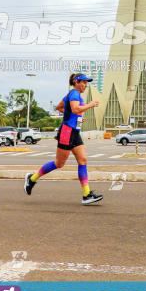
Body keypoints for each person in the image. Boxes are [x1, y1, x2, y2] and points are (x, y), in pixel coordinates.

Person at [24, 73, 103, 205]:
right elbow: (76, 108)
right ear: (76, 82)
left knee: (82, 159)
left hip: (74, 132)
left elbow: (60, 107)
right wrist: (91, 104)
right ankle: (31, 179)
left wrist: (74, 117)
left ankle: (86, 195)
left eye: (86, 83)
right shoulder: (74, 93)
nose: (85, 85)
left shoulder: (72, 95)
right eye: (83, 82)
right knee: (59, 163)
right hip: (67, 132)